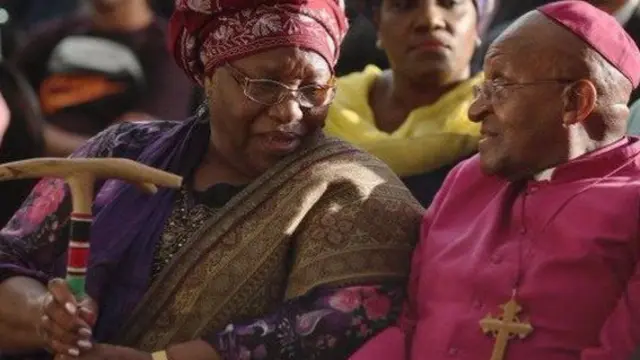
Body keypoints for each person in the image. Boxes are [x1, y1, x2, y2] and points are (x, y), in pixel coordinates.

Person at [0, 0, 424, 359]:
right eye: (263, 84)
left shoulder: (350, 189)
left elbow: (346, 316)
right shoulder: (122, 149)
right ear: (207, 76)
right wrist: (46, 316)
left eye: (313, 90)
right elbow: (11, 257)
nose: (290, 111)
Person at [351, 1, 640, 359]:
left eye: (499, 86)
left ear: (576, 101)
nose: (475, 111)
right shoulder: (468, 179)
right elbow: (409, 323)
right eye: (481, 88)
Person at [324, 0, 496, 206]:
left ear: (477, 24)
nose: (430, 20)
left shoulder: (503, 116)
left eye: (450, 3)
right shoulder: (320, 106)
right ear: (378, 24)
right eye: (404, 5)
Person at [11, 0, 193, 157]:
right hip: (26, 182)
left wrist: (34, 138)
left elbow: (131, 148)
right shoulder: (46, 39)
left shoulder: (168, 52)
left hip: (106, 190)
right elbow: (9, 103)